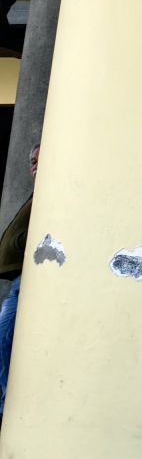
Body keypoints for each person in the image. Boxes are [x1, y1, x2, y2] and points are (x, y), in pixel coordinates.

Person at [0, 145, 38, 420]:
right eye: (32, 161)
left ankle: (5, 408)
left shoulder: (52, 191)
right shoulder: (39, 192)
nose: (34, 165)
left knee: (5, 336)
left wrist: (19, 242)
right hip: (20, 278)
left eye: (40, 159)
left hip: (30, 276)